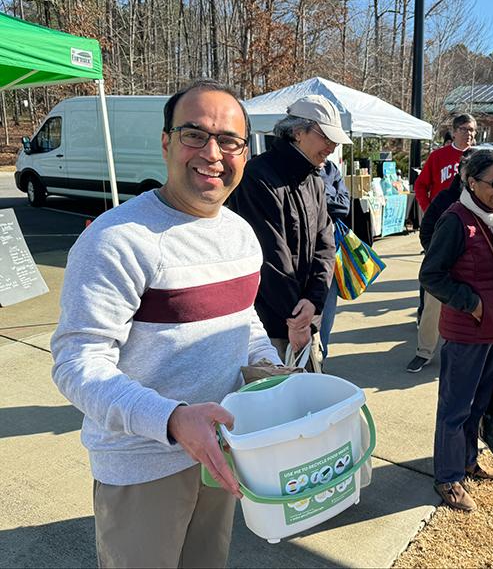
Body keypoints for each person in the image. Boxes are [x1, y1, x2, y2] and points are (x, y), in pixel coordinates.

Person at [51, 80, 284, 568]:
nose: (212, 153)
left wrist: (271, 368)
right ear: (166, 142)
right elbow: (77, 363)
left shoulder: (241, 235)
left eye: (229, 141)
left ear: (246, 151)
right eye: (194, 135)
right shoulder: (118, 240)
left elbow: (244, 319)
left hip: (220, 452)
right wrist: (174, 420)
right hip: (141, 465)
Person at [419, 148, 493, 512]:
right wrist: (472, 303)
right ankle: (448, 478)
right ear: (471, 181)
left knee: (478, 404)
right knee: (455, 407)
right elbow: (431, 275)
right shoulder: (456, 219)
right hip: (467, 331)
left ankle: (467, 461)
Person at [229, 95, 343, 364]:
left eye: (334, 140)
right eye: (325, 137)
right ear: (297, 132)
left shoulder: (314, 178)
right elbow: (269, 258)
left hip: (303, 318)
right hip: (270, 327)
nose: (332, 146)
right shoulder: (257, 176)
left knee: (311, 396)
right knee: (278, 399)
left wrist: (313, 304)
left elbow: (325, 246)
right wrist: (297, 319)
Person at [406, 148, 473, 373]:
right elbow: (426, 229)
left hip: (473, 268)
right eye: (467, 168)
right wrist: (434, 253)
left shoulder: (487, 200)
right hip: (442, 267)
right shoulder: (446, 197)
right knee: (431, 310)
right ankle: (424, 352)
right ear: (460, 171)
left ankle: (468, 354)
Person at [319, 159, 351, 360]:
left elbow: (343, 206)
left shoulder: (331, 168)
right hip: (300, 263)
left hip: (330, 255)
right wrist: (330, 191)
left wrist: (323, 193)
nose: (329, 147)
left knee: (326, 320)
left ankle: (322, 362)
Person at [414, 113, 476, 212]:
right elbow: (420, 185)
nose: (468, 133)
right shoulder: (438, 156)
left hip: (470, 213)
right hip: (442, 214)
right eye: (463, 129)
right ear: (454, 133)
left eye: (471, 130)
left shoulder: (478, 157)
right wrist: (428, 209)